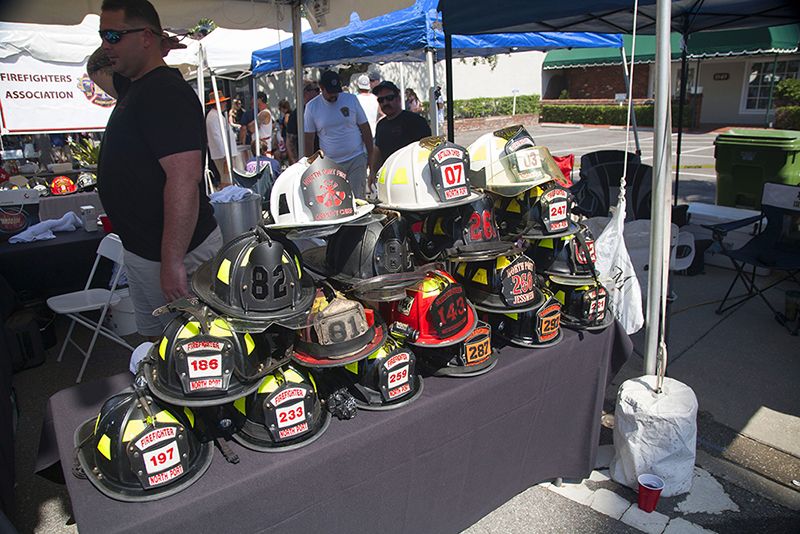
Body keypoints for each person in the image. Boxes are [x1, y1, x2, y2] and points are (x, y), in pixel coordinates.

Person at [87, 0, 222, 338]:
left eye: (114, 36)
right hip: (145, 251)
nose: (106, 45)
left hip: (177, 254)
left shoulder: (165, 92)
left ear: (145, 37)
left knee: (196, 349)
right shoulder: (133, 86)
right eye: (103, 35)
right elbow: (94, 67)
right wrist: (155, 41)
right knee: (160, 345)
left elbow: (184, 180)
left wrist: (172, 262)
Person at [304, 70, 373, 199]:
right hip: (330, 163)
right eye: (330, 92)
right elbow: (309, 139)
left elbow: (365, 128)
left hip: (356, 158)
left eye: (336, 91)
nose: (334, 95)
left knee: (358, 199)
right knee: (336, 201)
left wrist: (370, 156)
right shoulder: (311, 107)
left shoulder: (351, 100)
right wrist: (308, 165)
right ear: (321, 88)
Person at [369, 81, 431, 191]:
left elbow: (427, 150)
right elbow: (377, 151)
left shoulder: (416, 121)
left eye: (389, 98)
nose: (385, 103)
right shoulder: (381, 125)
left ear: (398, 98)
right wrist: (372, 172)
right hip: (389, 181)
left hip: (414, 180)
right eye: (381, 100)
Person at [205, 90, 236, 187]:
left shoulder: (215, 115)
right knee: (227, 179)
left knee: (228, 178)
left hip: (224, 154)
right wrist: (225, 155)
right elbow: (216, 137)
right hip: (223, 155)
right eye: (223, 102)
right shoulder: (213, 116)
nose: (225, 103)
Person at [286, 81, 319, 165]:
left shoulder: (323, 109)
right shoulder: (297, 114)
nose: (318, 93)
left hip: (324, 159)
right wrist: (295, 162)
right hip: (305, 161)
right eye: (316, 89)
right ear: (306, 92)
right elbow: (290, 141)